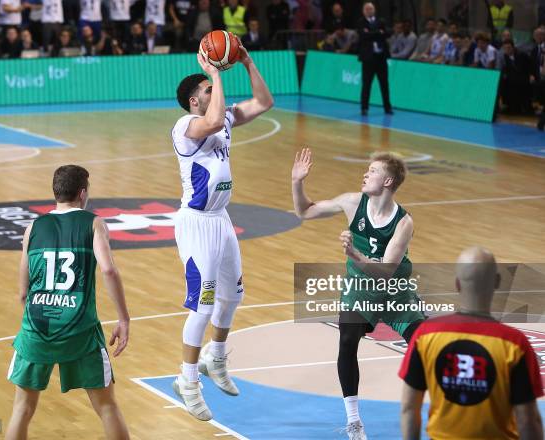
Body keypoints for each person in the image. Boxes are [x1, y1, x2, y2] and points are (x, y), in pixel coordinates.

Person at [171, 41, 273, 421]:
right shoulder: (185, 126)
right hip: (196, 223)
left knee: (233, 297)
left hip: (221, 219)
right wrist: (214, 71)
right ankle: (187, 381)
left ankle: (216, 359)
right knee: (203, 304)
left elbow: (264, 103)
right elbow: (212, 122)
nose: (216, 92)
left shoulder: (224, 116)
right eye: (209, 91)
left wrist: (247, 62)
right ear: (195, 101)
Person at [292, 149, 425, 439]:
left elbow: (386, 271)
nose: (366, 173)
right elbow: (304, 211)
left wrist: (355, 254)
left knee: (425, 345)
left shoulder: (404, 222)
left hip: (395, 292)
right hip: (360, 290)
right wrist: (297, 182)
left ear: (388, 181)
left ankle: (445, 407)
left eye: (373, 170)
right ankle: (354, 421)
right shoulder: (353, 202)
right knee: (348, 338)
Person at [5, 165, 130, 440]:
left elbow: (23, 292)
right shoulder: (93, 223)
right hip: (80, 330)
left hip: (36, 327)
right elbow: (108, 270)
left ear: (56, 192)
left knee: (22, 409)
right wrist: (124, 319)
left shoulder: (33, 228)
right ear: (82, 193)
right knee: (107, 407)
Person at [399, 247, 544, 440]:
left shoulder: (426, 334)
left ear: (457, 284)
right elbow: (527, 420)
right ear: (497, 282)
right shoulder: (515, 344)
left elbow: (409, 408)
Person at [357, 2, 392, 116]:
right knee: (367, 84)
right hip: (368, 59)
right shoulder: (361, 22)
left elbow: (387, 33)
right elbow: (364, 36)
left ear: (374, 10)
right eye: (367, 9)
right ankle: (364, 108)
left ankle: (387, 107)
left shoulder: (381, 21)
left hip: (381, 57)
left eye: (371, 9)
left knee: (384, 84)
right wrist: (378, 33)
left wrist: (372, 33)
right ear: (363, 11)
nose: (369, 11)